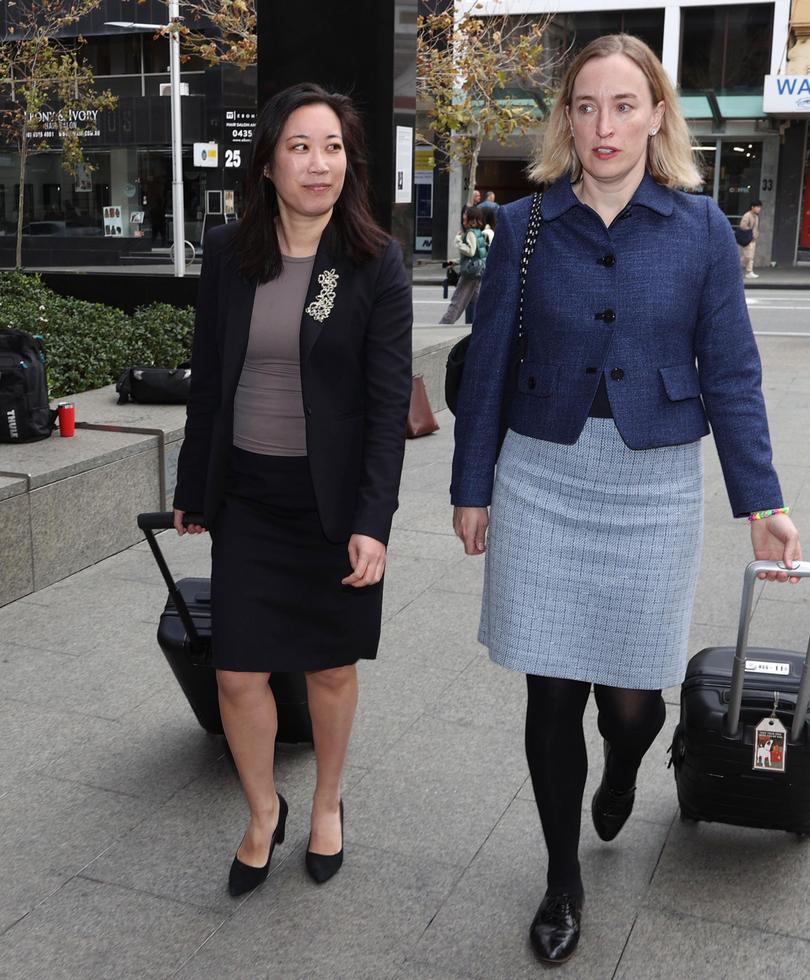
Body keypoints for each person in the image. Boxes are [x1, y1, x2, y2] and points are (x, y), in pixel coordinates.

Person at [450, 34, 801, 966]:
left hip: (651, 485)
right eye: (586, 106)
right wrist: (472, 485)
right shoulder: (525, 230)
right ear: (567, 119)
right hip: (543, 474)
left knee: (631, 704)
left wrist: (762, 500)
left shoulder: (699, 233)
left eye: (623, 105)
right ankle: (563, 877)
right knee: (552, 686)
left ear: (656, 116)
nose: (604, 126)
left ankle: (625, 769)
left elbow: (730, 373)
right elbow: (487, 370)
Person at [172, 82, 412, 897]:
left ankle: (329, 805)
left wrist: (374, 521)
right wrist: (192, 485)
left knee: (329, 669)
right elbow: (211, 380)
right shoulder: (229, 252)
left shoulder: (372, 263)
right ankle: (264, 810)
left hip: (331, 504)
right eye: (301, 147)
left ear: (352, 162)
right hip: (248, 494)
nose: (319, 164)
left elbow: (386, 408)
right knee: (237, 672)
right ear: (269, 163)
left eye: (334, 147)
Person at [440, 206, 489, 324]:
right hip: (479, 270)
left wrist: (458, 241)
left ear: (471, 219)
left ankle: (445, 324)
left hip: (470, 273)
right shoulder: (479, 233)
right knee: (477, 301)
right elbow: (477, 254)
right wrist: (456, 262)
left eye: (465, 218)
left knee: (458, 301)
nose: (463, 220)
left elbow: (470, 252)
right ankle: (480, 325)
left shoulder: (470, 234)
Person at [739, 199, 762, 279]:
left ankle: (749, 272)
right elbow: (742, 226)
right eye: (758, 207)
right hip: (747, 238)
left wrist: (756, 234)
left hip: (753, 239)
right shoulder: (747, 215)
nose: (759, 209)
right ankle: (736, 266)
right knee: (747, 256)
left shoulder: (756, 216)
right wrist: (750, 231)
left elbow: (756, 228)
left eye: (760, 207)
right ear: (752, 207)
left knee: (751, 256)